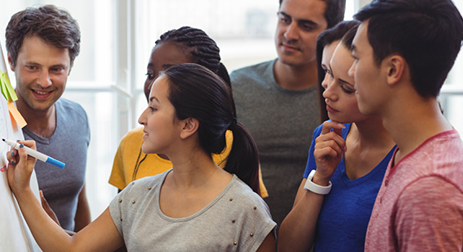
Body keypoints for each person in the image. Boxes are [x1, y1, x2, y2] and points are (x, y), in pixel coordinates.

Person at [7, 63, 277, 252]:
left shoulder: (244, 210)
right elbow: (71, 249)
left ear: (188, 125)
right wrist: (22, 189)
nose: (142, 118)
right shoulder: (137, 195)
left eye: (153, 107)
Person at [0, 5, 91, 252]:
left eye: (56, 69)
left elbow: (79, 202)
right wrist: (4, 187)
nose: (45, 81)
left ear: (70, 66)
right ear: (10, 61)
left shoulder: (78, 118)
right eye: (32, 67)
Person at [349, 0, 463, 250]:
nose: (350, 71)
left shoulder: (429, 190)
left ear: (393, 69)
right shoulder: (409, 151)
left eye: (356, 58)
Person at [108, 26, 268, 197]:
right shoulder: (132, 143)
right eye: (150, 74)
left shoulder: (231, 144)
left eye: (169, 74)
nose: (153, 83)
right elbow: (122, 216)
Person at [278, 22, 396, 252]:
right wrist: (320, 179)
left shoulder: (406, 154)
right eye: (329, 73)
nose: (327, 92)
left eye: (346, 87)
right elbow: (288, 247)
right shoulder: (327, 135)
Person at [229, 0, 345, 225]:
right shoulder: (238, 86)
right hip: (242, 234)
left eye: (306, 26)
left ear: (331, 30)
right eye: (284, 19)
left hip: (315, 237)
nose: (289, 34)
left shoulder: (344, 98)